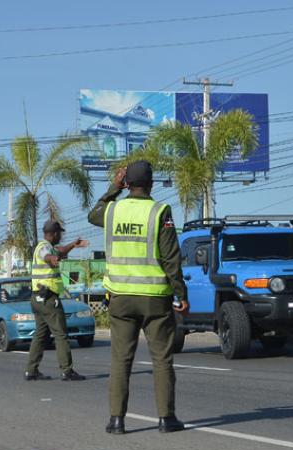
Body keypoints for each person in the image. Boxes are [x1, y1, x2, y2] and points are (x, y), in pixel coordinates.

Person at [88, 160, 190, 435]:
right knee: (161, 359)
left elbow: (92, 214)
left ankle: (117, 420)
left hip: (120, 298)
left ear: (127, 184)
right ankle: (166, 419)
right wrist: (180, 293)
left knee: (121, 360)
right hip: (155, 298)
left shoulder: (112, 210)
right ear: (152, 183)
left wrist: (112, 188)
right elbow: (171, 258)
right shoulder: (159, 211)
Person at [25, 220, 89, 382]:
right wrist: (52, 259)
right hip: (48, 299)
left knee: (40, 334)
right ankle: (67, 370)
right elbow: (48, 255)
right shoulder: (43, 248)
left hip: (37, 298)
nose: (61, 235)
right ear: (54, 234)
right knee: (61, 334)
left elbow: (59, 251)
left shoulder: (47, 246)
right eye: (59, 233)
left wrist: (73, 245)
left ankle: (31, 370)